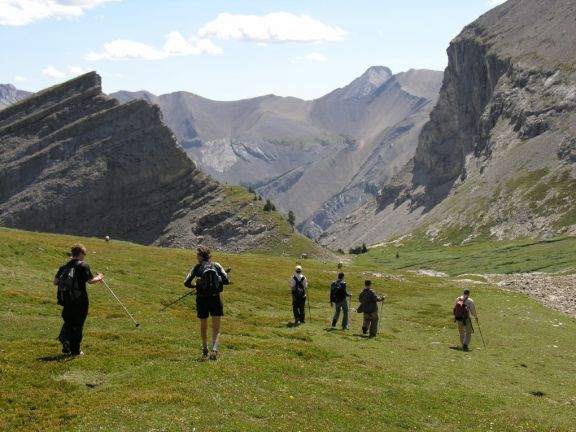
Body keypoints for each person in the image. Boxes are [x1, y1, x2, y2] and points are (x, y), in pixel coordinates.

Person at [53, 243, 103, 356]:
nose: (84, 256)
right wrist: (100, 277)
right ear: (80, 253)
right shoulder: (83, 266)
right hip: (80, 301)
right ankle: (75, 350)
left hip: (66, 301)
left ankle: (65, 340)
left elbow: (55, 282)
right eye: (84, 253)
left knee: (69, 322)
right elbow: (90, 281)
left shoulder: (64, 267)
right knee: (78, 325)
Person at [184, 245, 229, 360]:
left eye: (197, 254)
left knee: (203, 325)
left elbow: (186, 282)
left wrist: (196, 285)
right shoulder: (217, 265)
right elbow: (226, 281)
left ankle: (205, 348)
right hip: (215, 299)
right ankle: (214, 349)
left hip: (202, 299)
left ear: (200, 256)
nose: (196, 256)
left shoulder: (197, 267)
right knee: (216, 327)